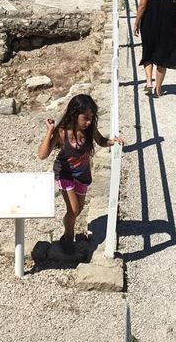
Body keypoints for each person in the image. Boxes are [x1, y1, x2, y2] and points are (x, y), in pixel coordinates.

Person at [37, 94, 124, 253]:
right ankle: (68, 238)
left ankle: (68, 235)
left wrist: (114, 141)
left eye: (91, 117)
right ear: (75, 114)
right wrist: (50, 131)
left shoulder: (89, 129)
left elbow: (101, 141)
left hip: (82, 174)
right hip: (65, 174)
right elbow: (42, 155)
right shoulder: (62, 132)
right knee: (74, 209)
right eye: (85, 118)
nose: (89, 121)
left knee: (79, 209)